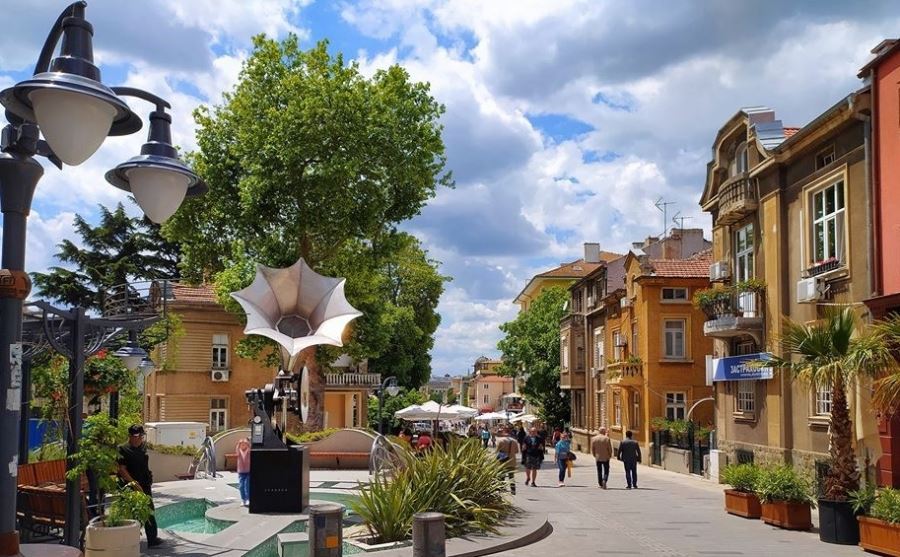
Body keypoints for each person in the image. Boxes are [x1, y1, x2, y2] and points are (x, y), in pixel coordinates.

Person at [118, 425, 162, 548]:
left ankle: (152, 539)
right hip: (131, 486)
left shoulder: (143, 447)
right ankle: (130, 541)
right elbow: (122, 469)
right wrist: (133, 483)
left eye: (142, 436)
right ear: (132, 436)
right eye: (139, 436)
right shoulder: (123, 449)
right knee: (132, 513)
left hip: (145, 484)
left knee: (149, 511)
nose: (141, 439)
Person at [496, 428, 520, 493]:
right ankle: (513, 490)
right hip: (511, 460)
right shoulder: (514, 441)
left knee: (502, 475)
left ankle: (502, 488)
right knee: (511, 476)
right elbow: (517, 451)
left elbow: (497, 450)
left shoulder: (500, 440)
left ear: (504, 432)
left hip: (502, 461)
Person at [235, 437, 251, 506]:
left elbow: (250, 448)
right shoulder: (239, 452)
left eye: (245, 444)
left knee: (247, 485)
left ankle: (247, 499)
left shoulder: (248, 451)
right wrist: (239, 443)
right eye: (242, 445)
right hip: (241, 472)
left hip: (248, 471)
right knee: (241, 486)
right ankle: (243, 499)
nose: (243, 446)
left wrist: (248, 443)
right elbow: (237, 449)